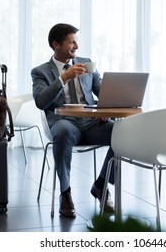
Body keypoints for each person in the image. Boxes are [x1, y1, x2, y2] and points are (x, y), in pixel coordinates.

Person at [31, 23, 115, 218]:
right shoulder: (40, 72)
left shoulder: (87, 63)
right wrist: (64, 78)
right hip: (65, 123)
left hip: (92, 123)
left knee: (122, 133)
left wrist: (107, 110)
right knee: (62, 131)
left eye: (76, 41)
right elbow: (41, 101)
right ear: (56, 45)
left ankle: (101, 185)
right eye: (71, 42)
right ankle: (65, 193)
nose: (76, 46)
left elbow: (103, 92)